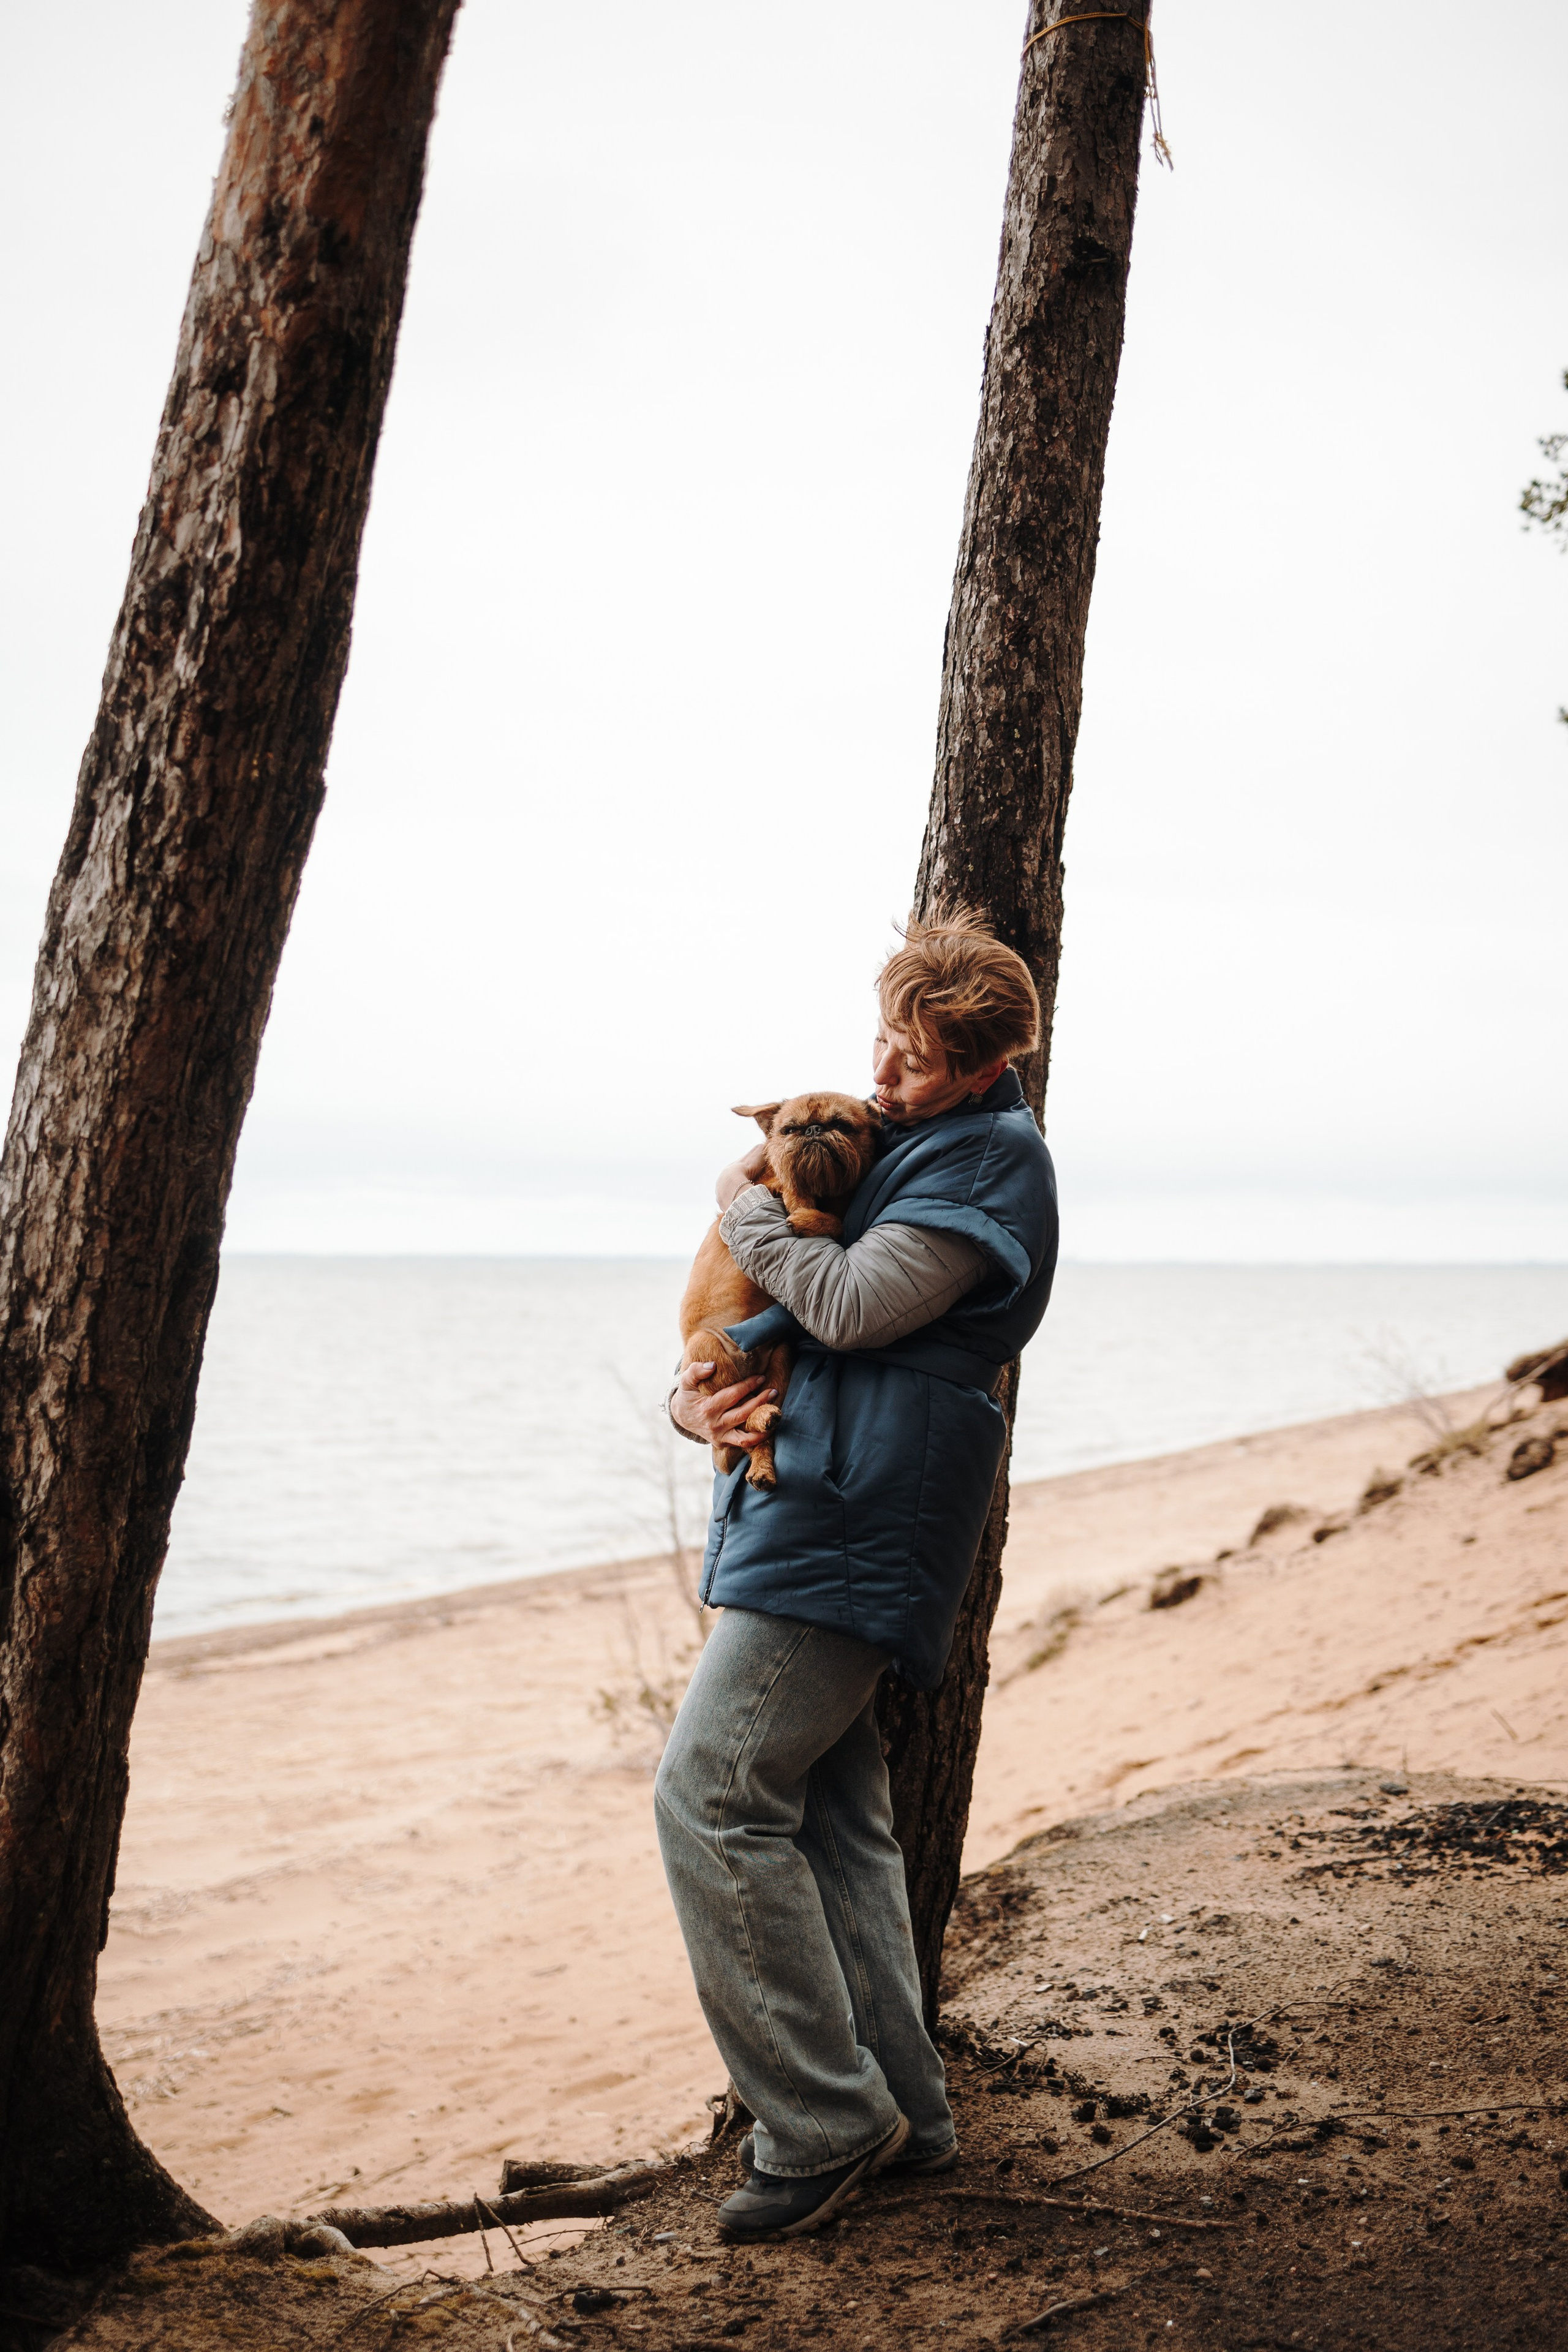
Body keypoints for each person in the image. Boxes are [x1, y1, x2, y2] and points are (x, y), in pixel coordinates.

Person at [655, 907, 1059, 2241]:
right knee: (832, 1818)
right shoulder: (894, 1133)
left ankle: (822, 2126)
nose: (887, 1078)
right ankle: (906, 2113)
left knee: (709, 1792)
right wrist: (693, 1404)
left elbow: (847, 1307)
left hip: (859, 1510)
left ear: (984, 1067)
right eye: (883, 1045)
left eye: (919, 1063)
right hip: (803, 1497)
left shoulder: (992, 1164)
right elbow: (759, 1323)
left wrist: (741, 1199)